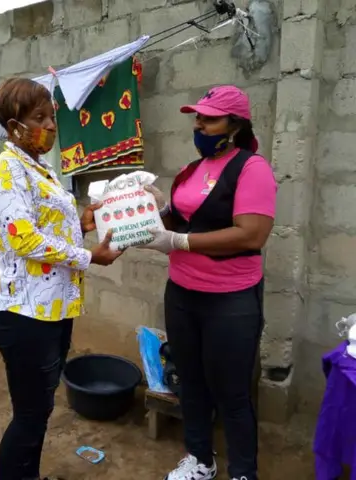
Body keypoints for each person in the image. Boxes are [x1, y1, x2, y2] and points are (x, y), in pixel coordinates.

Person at [0, 77, 122, 480]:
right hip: (23, 313)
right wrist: (88, 257)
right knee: (29, 415)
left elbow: (47, 230)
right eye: (38, 118)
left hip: (52, 308)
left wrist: (83, 223)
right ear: (14, 127)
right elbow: (23, 238)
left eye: (51, 117)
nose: (50, 126)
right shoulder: (6, 168)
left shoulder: (40, 169)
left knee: (40, 409)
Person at [141, 85, 277, 480]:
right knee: (191, 381)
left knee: (232, 391)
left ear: (234, 125)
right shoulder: (192, 170)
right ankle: (200, 459)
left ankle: (243, 472)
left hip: (230, 300)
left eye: (209, 118)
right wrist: (149, 210)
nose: (199, 124)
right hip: (182, 293)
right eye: (197, 117)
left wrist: (179, 241)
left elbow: (251, 234)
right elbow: (178, 219)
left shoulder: (252, 168)